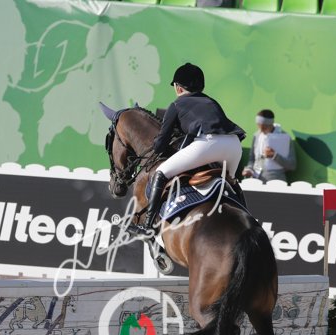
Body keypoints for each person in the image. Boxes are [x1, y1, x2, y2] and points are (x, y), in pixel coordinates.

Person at [127, 62, 245, 239]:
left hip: (209, 144)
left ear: (178, 87)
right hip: (234, 145)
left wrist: (160, 147)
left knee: (160, 172)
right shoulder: (211, 101)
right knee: (231, 182)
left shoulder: (177, 104)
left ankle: (148, 225)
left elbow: (160, 144)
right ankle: (247, 217)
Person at [241, 109, 296, 183]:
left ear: (271, 124)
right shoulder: (257, 135)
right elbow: (252, 160)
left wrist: (274, 155)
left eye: (264, 127)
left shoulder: (285, 138)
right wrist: (249, 169)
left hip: (276, 182)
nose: (261, 130)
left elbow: (292, 165)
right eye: (259, 126)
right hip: (256, 182)